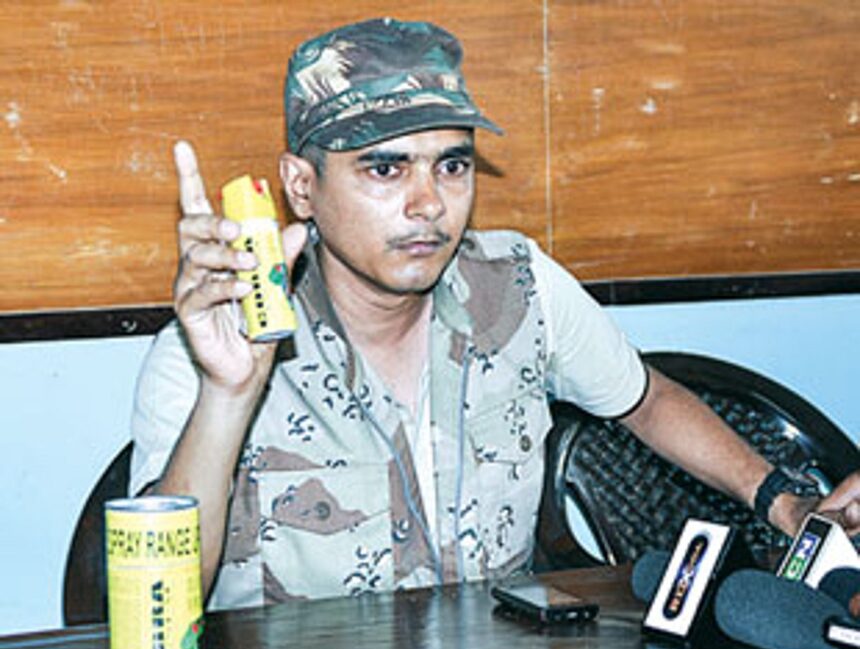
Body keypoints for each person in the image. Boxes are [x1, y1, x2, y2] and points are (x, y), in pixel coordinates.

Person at [130, 17, 860, 609]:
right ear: (301, 185)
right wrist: (228, 393)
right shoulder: (215, 342)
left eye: (452, 165)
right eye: (385, 168)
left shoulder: (516, 288)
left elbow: (647, 401)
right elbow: (160, 603)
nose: (428, 203)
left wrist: (787, 507)